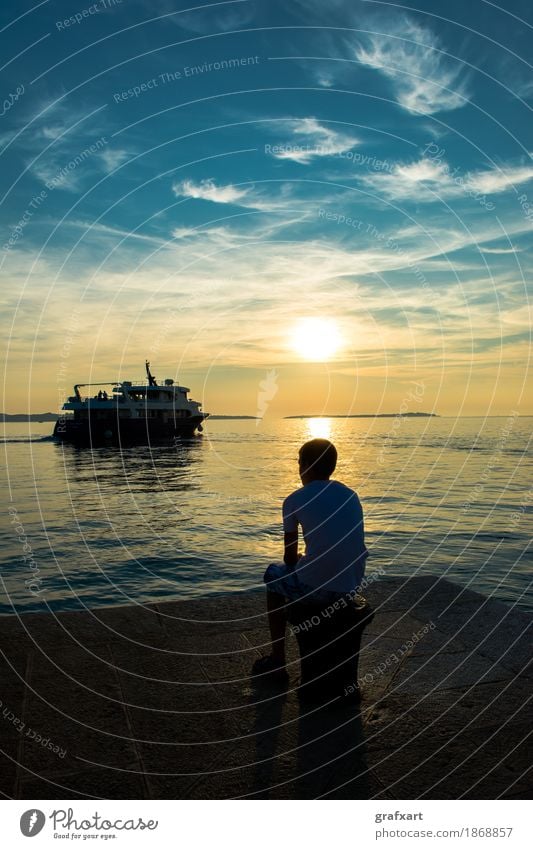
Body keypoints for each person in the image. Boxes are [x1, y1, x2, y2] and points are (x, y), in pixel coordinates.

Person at [252, 438, 368, 679]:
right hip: (351, 585)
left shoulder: (294, 499)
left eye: (299, 462)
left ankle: (277, 659)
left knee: (273, 575)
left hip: (319, 590)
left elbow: (289, 558)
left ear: (305, 465)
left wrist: (303, 559)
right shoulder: (351, 495)